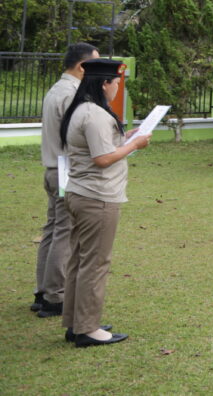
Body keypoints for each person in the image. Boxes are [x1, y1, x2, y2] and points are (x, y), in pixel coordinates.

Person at [60, 57, 151, 346]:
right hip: (97, 198)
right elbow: (102, 159)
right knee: (95, 263)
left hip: (81, 193)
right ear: (104, 84)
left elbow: (100, 146)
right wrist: (133, 145)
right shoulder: (95, 114)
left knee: (79, 260)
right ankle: (87, 328)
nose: (117, 89)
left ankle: (76, 322)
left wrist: (126, 138)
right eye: (116, 83)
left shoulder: (83, 109)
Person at [32, 42, 99, 318]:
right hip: (65, 169)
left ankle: (43, 289)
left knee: (52, 229)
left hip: (52, 167)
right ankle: (54, 295)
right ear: (82, 67)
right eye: (94, 65)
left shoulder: (56, 89)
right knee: (64, 231)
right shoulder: (71, 94)